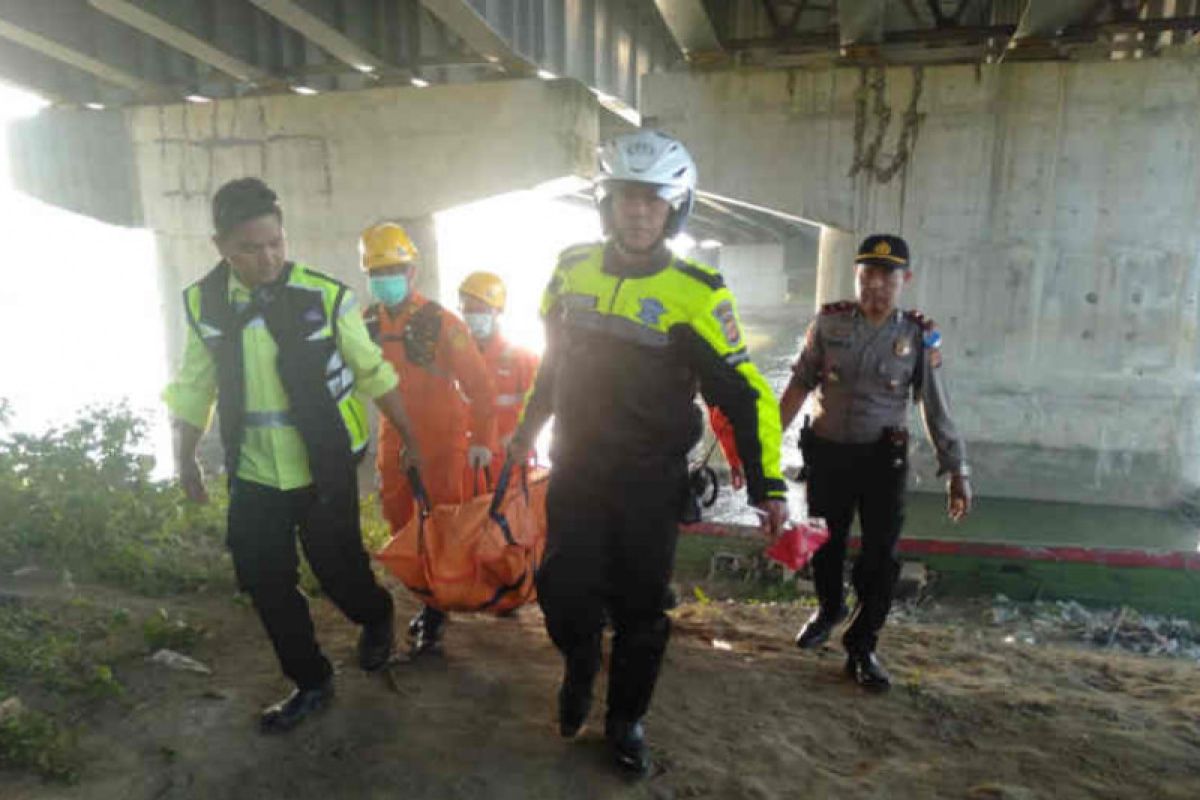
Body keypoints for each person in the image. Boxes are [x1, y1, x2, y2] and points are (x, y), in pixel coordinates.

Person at [507, 130, 789, 775]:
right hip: (575, 467)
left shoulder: (698, 290)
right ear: (607, 204)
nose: (638, 211)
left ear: (675, 208)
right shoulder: (570, 267)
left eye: (653, 200)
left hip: (648, 484)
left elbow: (746, 394)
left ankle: (625, 719)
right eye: (626, 197)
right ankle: (580, 662)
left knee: (641, 611)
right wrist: (528, 426)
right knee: (560, 587)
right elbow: (552, 361)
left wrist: (768, 485)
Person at [164, 178, 420, 733]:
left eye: (276, 243)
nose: (268, 258)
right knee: (263, 578)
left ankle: (376, 615)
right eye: (250, 248)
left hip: (323, 465)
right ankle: (310, 679)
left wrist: (412, 439)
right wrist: (184, 458)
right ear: (220, 248)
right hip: (254, 469)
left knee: (339, 572)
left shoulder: (325, 298)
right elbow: (193, 386)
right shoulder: (204, 303)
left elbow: (375, 372)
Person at [779, 233, 973, 692]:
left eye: (887, 279)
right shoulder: (828, 326)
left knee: (880, 558)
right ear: (857, 277)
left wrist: (957, 470)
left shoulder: (917, 336)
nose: (876, 288)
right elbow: (798, 388)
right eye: (868, 277)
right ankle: (829, 609)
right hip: (827, 455)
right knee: (823, 541)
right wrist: (763, 448)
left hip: (882, 460)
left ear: (904, 280)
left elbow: (935, 406)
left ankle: (862, 646)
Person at [359, 223, 497, 654]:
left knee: (441, 525)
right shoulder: (365, 322)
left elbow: (481, 388)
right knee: (399, 521)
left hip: (442, 439)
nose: (386, 278)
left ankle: (436, 611)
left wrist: (482, 439)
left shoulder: (443, 323)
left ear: (413, 271)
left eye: (394, 269)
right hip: (395, 440)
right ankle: (425, 594)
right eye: (377, 270)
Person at [457, 271, 540, 479]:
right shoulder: (454, 356)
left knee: (509, 511)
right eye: (469, 309)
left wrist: (523, 436)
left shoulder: (523, 358)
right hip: (466, 461)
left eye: (481, 309)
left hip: (509, 461)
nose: (474, 315)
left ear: (498, 310)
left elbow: (544, 405)